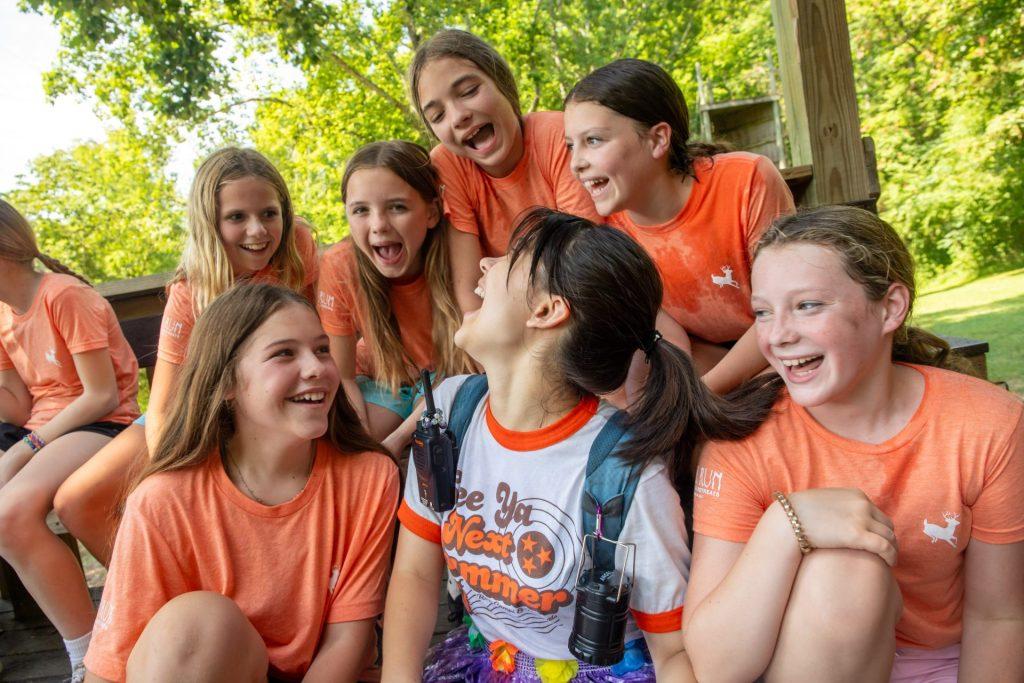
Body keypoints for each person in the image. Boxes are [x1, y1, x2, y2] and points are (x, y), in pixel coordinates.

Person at [382, 209, 774, 682]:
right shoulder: (450, 414)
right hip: (486, 663)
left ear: (546, 310)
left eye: (510, 258)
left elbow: (672, 652)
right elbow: (415, 575)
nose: (484, 265)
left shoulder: (623, 473)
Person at [684, 206, 1024, 682]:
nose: (778, 335)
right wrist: (787, 525)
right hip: (804, 663)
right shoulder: (744, 440)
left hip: (941, 664)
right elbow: (717, 668)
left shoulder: (990, 424)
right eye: (762, 312)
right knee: (845, 572)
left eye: (808, 305)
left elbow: (999, 616)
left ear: (890, 308)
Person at [84, 283, 399, 682]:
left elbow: (348, 640)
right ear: (227, 384)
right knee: (196, 624)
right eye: (284, 353)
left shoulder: (369, 477)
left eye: (322, 349)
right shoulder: (162, 500)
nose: (317, 367)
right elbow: (109, 666)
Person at [54, 147, 319, 567]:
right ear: (209, 223)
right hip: (191, 413)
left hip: (265, 407)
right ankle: (153, 593)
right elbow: (161, 409)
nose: (258, 231)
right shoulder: (191, 292)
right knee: (76, 499)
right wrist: (172, 478)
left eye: (269, 213)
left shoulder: (298, 250)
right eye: (237, 217)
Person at [564, 58, 796, 394]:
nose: (576, 163)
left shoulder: (747, 180)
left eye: (594, 141)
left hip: (788, 348)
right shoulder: (610, 234)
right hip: (713, 366)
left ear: (658, 139)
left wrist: (701, 398)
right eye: (571, 145)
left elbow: (784, 311)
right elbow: (674, 344)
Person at [0, 199, 139, 681]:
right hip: (46, 429)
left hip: (104, 424)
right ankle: (92, 647)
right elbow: (18, 405)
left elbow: (100, 395)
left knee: (10, 512)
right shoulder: (2, 314)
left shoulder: (63, 296)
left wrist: (25, 449)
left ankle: (86, 657)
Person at [408, 28, 600, 313]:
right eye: (438, 115)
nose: (459, 116)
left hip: (584, 301)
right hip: (510, 318)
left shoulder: (560, 134)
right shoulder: (448, 165)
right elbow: (469, 292)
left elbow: (581, 252)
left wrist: (506, 267)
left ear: (502, 82)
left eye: (469, 91)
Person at [317, 141, 474, 443]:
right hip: (384, 381)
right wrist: (360, 441)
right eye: (361, 210)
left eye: (397, 207)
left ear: (431, 212)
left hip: (447, 380)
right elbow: (344, 376)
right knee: (346, 443)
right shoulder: (341, 266)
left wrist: (395, 442)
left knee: (436, 439)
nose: (378, 225)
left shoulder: (456, 250)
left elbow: (464, 372)